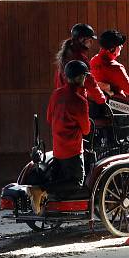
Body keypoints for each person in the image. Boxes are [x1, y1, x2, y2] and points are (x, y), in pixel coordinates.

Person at [27, 60, 93, 215]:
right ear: (79, 78)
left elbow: (49, 118)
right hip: (73, 149)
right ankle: (40, 190)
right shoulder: (80, 101)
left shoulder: (56, 94)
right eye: (84, 76)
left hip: (58, 148)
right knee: (76, 182)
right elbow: (86, 129)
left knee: (59, 178)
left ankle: (44, 193)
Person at [54, 23, 107, 110]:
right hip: (76, 102)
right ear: (82, 39)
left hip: (62, 100)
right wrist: (102, 99)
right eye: (90, 40)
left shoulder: (65, 55)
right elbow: (89, 82)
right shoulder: (80, 59)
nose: (91, 43)